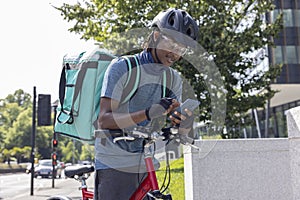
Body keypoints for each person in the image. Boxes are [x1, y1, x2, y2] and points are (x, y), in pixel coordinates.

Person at [94, 8, 199, 200]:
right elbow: (104, 120)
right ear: (157, 36)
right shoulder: (122, 67)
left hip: (144, 159)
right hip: (113, 160)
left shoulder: (173, 78)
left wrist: (183, 121)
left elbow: (181, 128)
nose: (176, 54)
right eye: (172, 44)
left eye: (182, 49)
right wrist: (148, 113)